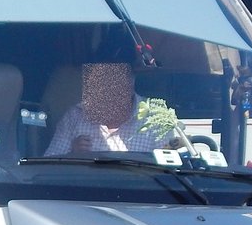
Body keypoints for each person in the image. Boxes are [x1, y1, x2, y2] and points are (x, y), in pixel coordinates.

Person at [44, 61, 177, 156]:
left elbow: (166, 172)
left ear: (130, 86)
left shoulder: (156, 118)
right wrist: (73, 153)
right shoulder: (75, 116)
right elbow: (48, 167)